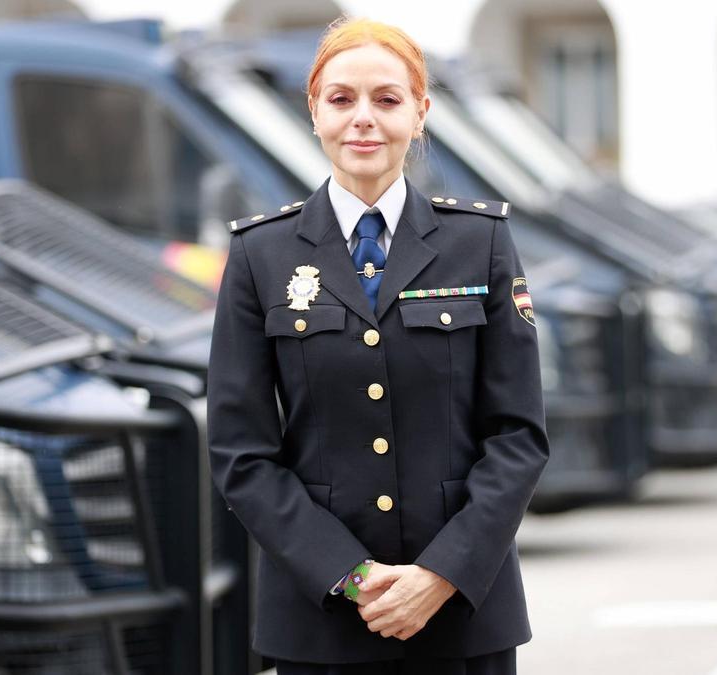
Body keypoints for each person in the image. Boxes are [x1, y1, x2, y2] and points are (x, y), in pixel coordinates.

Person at [206, 16, 549, 675]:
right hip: (323, 623)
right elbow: (242, 454)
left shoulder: (479, 244)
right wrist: (352, 576)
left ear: (420, 113)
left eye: (387, 99)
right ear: (314, 113)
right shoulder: (260, 255)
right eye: (341, 99)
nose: (363, 118)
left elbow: (517, 437)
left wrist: (440, 575)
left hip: (462, 620)